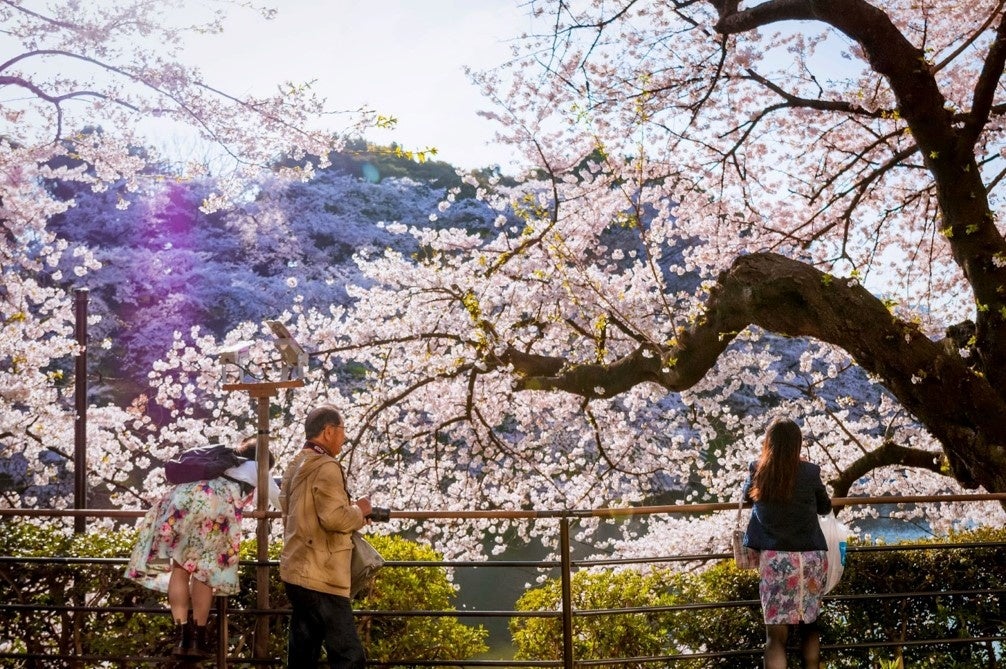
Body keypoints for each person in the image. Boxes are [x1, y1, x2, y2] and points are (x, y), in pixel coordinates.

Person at [125, 436, 280, 658]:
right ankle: (198, 638)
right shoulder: (255, 466)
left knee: (180, 569)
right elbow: (279, 500)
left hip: (179, 503)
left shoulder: (222, 461)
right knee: (203, 573)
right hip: (213, 509)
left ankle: (181, 636)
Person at [280, 405, 373, 669]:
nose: (344, 437)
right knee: (349, 655)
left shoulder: (297, 463)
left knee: (303, 654)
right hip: (322, 574)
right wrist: (360, 510)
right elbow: (334, 518)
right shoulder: (327, 466)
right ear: (329, 431)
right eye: (342, 431)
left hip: (296, 568)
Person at [741, 417, 832, 669]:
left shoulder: (757, 469)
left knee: (775, 635)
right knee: (810, 626)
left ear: (768, 442)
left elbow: (747, 499)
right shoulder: (810, 471)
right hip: (811, 558)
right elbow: (825, 507)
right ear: (798, 444)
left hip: (776, 560)